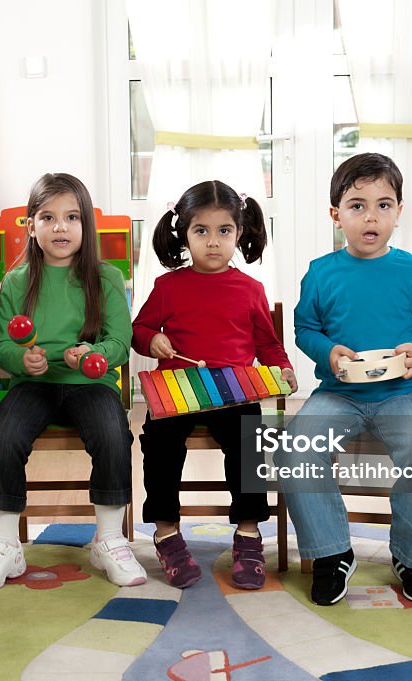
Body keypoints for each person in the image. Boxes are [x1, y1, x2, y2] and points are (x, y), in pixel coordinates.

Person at [284, 152, 412, 605]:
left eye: (384, 204)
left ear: (399, 212)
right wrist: (328, 352)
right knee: (295, 452)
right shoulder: (322, 272)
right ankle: (332, 552)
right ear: (336, 215)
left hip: (404, 393)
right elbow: (307, 328)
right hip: (339, 393)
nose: (371, 216)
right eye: (357, 205)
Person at [0, 172, 145, 591]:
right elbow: (1, 345)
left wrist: (93, 355)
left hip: (91, 384)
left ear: (86, 226)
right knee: (3, 436)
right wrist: (24, 359)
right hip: (34, 384)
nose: (60, 227)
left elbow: (119, 341)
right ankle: (5, 543)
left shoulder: (108, 278)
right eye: (48, 217)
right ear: (31, 226)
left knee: (113, 433)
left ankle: (110, 538)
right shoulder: (16, 281)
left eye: (72, 217)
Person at [132, 180, 297, 590]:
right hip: (179, 387)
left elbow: (267, 345)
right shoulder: (168, 286)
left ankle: (248, 532)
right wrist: (152, 339)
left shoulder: (251, 289)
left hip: (234, 390)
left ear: (239, 233)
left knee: (248, 442)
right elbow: (140, 329)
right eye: (201, 231)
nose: (212, 242)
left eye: (224, 231)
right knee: (159, 442)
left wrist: (284, 369)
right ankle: (167, 531)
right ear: (184, 234)